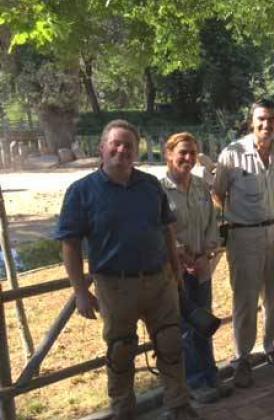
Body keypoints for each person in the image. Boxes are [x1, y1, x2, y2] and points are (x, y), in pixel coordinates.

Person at [55, 120, 198, 419]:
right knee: (121, 352)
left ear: (136, 151)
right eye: (115, 143)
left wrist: (175, 274)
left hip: (159, 280)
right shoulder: (81, 192)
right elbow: (69, 245)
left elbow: (166, 232)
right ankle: (124, 410)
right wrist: (80, 292)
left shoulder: (149, 185)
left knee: (171, 344)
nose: (122, 149)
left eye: (129, 145)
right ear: (102, 148)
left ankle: (179, 405)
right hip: (115, 286)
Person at [212, 100, 274, 387]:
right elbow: (218, 194)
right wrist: (238, 216)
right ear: (252, 121)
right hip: (244, 234)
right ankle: (242, 359)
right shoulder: (233, 154)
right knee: (245, 299)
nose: (267, 125)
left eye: (272, 119)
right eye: (261, 119)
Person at [160, 132, 231, 403]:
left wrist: (207, 253)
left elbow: (212, 223)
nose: (188, 158)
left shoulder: (202, 187)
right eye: (182, 153)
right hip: (175, 272)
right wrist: (180, 256)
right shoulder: (159, 190)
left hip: (201, 267)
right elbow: (159, 229)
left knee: (205, 322)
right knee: (185, 328)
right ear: (169, 154)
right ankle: (194, 383)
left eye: (192, 153)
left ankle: (211, 375)